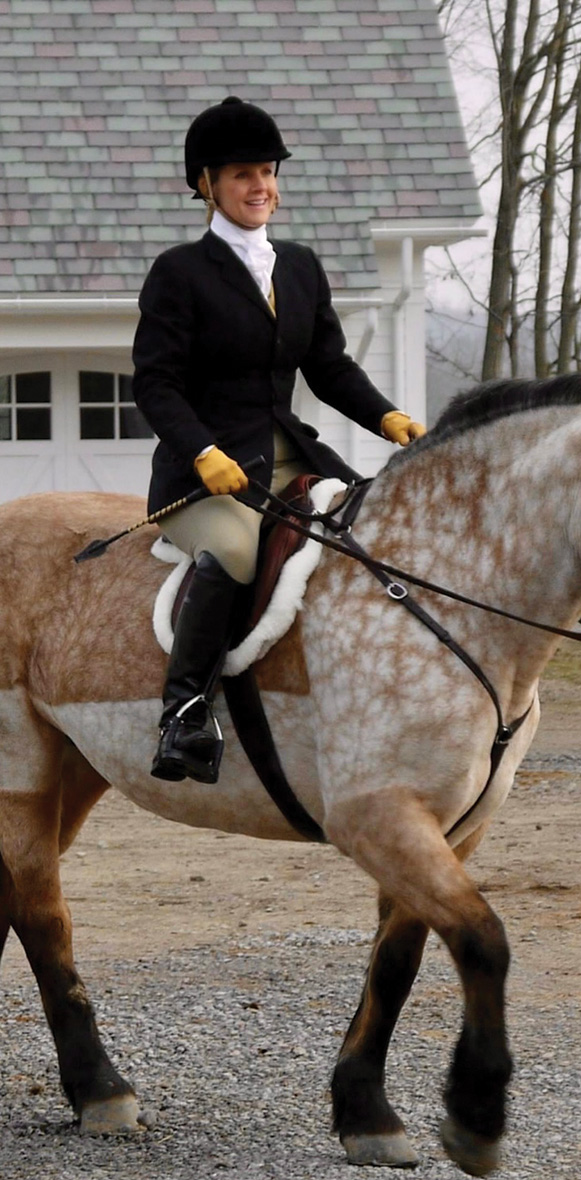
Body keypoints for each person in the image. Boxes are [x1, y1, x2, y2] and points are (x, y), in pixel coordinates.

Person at [132, 96, 425, 787]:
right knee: (236, 548)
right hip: (200, 470)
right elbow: (156, 385)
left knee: (365, 527)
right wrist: (202, 452)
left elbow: (327, 367)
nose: (260, 186)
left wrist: (388, 418)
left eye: (266, 172)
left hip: (288, 451)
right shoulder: (179, 273)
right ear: (207, 184)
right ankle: (186, 714)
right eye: (242, 175)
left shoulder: (298, 267)